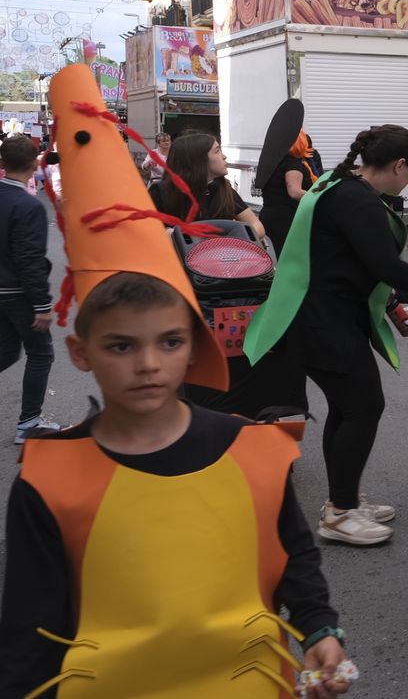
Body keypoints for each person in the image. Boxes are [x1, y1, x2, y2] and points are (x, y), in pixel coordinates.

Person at [0, 270, 354, 698]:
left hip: (249, 684)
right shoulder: (48, 480)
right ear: (80, 352)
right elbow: (30, 624)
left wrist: (319, 629)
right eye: (121, 345)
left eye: (170, 342)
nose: (148, 364)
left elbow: (293, 553)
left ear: (193, 347)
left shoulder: (255, 451)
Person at [242, 125, 408, 546]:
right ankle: (340, 513)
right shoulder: (357, 200)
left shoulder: (340, 184)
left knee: (349, 408)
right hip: (322, 320)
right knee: (363, 407)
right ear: (400, 165)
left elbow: (362, 264)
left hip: (321, 316)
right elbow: (385, 265)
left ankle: (341, 502)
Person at [0, 135, 54, 444]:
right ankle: (29, 423)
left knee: (7, 349)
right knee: (41, 353)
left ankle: (29, 421)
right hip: (17, 292)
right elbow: (29, 260)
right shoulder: (28, 206)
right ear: (34, 164)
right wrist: (42, 305)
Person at [150, 133, 265, 239]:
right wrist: (171, 235)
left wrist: (232, 239)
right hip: (178, 260)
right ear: (198, 160)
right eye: (217, 151)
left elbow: (257, 226)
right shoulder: (160, 192)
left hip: (222, 258)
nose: (224, 156)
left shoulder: (223, 188)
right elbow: (148, 232)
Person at [260, 130, 319, 251]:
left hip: (269, 216)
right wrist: (318, 196)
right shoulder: (292, 162)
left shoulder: (274, 161)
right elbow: (294, 192)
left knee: (274, 257)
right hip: (285, 220)